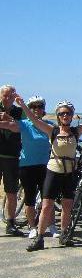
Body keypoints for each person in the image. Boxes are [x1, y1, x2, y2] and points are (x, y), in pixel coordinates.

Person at [16, 94, 82, 251]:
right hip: (53, 172)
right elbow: (35, 121)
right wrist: (22, 105)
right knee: (47, 206)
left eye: (68, 113)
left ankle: (64, 235)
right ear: (58, 116)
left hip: (70, 173)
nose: (65, 116)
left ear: (72, 115)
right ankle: (39, 238)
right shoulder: (51, 130)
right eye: (61, 113)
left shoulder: (76, 132)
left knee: (68, 206)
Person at [0, 96, 53, 238]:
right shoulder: (23, 124)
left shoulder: (49, 125)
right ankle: (33, 227)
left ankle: (51, 225)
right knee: (29, 199)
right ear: (29, 109)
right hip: (27, 166)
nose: (37, 109)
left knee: (48, 198)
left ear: (44, 109)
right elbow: (6, 125)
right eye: (33, 107)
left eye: (40, 106)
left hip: (45, 166)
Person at [0, 84, 25, 236]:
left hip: (12, 156)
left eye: (11, 96)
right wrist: (10, 124)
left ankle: (11, 223)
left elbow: (21, 127)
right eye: (5, 95)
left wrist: (8, 120)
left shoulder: (19, 111)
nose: (8, 98)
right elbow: (14, 126)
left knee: (11, 192)